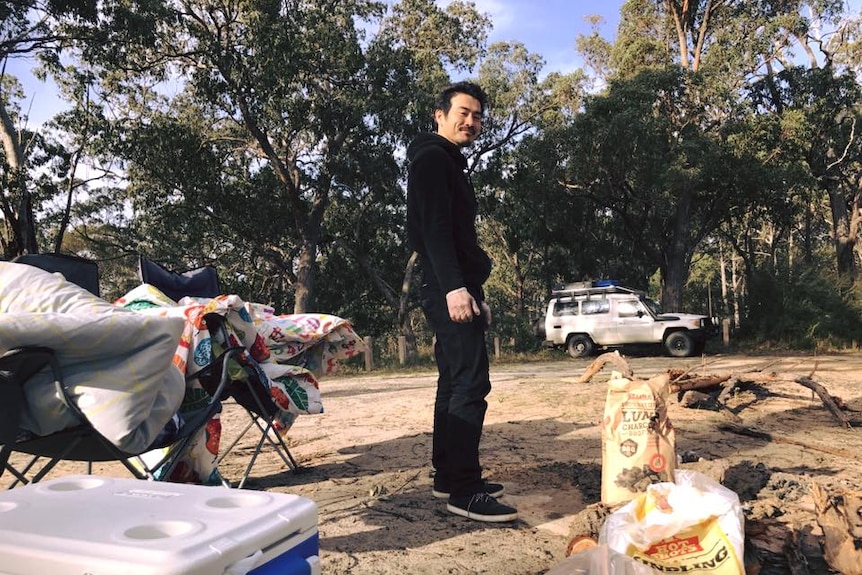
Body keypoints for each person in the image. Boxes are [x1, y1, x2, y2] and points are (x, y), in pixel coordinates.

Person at [406, 81, 518, 523]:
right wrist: (455, 288)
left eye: (477, 116)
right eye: (463, 112)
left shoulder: (444, 160)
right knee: (471, 383)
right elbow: (434, 230)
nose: (470, 121)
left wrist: (472, 291)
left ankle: (448, 477)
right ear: (440, 113)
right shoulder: (434, 158)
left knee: (453, 380)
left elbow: (453, 233)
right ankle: (466, 491)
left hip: (451, 283)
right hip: (444, 283)